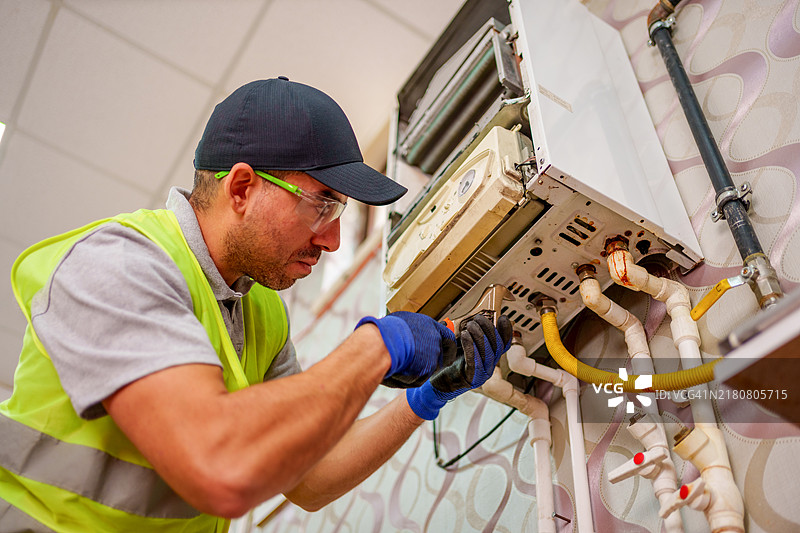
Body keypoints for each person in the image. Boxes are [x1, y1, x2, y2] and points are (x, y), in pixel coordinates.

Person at [0, 77, 512, 532]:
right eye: (323, 205)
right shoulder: (117, 264)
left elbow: (310, 477)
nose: (333, 239)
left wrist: (425, 398)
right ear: (242, 188)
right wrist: (379, 344)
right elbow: (219, 465)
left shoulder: (260, 314)